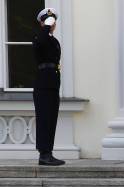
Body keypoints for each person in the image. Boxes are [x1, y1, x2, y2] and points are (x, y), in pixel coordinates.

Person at [33, 8, 64, 166]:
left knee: (51, 118)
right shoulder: (39, 37)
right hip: (43, 83)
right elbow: (41, 42)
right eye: (48, 21)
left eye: (53, 21)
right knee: (44, 118)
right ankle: (43, 153)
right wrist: (46, 27)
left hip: (52, 82)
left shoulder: (53, 40)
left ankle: (48, 152)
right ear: (41, 23)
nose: (52, 24)